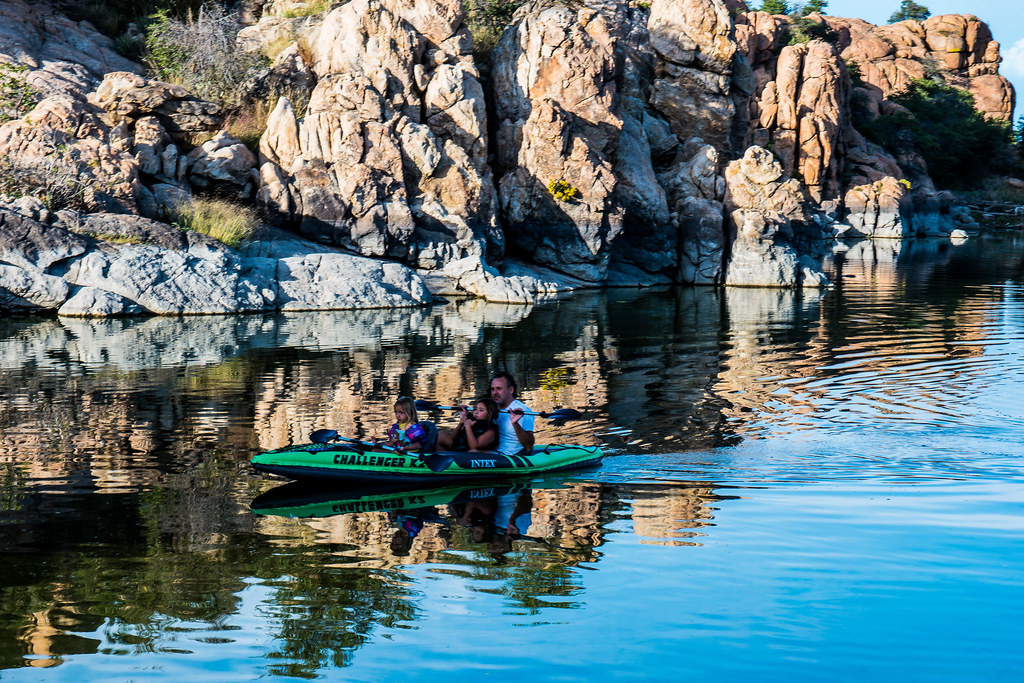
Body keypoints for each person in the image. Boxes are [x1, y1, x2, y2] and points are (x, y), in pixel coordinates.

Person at [490, 371, 535, 454]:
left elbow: (529, 445)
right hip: (494, 452)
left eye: (499, 388)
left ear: (511, 390)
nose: (495, 393)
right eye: (493, 389)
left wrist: (515, 424)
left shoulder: (523, 411)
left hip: (512, 455)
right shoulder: (491, 408)